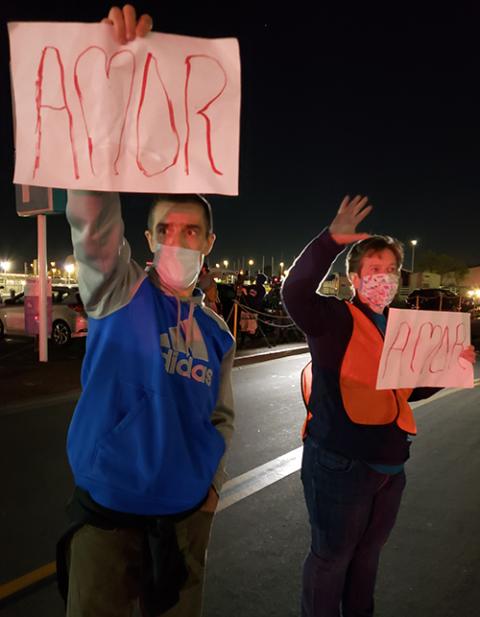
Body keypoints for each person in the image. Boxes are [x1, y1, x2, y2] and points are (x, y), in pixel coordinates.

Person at [56, 7, 235, 617]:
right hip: (107, 522)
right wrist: (112, 90)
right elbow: (89, 211)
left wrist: (210, 488)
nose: (178, 241)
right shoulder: (117, 291)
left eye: (192, 231)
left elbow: (222, 417)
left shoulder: (217, 333)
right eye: (166, 228)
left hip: (186, 522)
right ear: (147, 235)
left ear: (209, 244)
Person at [281, 194, 476, 617]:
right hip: (340, 465)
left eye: (390, 271)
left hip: (390, 468)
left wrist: (446, 369)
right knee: (331, 559)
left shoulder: (400, 323)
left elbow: (405, 391)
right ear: (354, 278)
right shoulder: (333, 320)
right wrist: (330, 241)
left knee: (367, 560)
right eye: (374, 270)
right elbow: (294, 292)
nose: (383, 279)